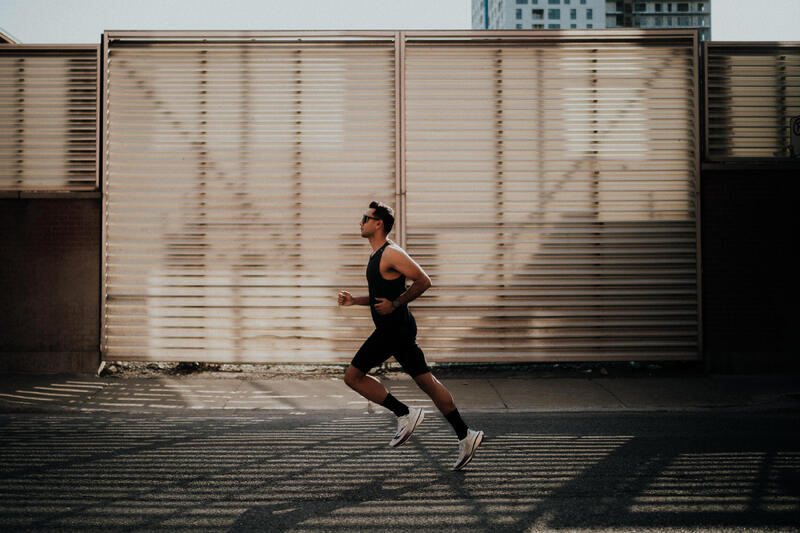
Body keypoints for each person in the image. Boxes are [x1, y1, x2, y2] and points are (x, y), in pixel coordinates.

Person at [337, 201, 484, 470]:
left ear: (379, 223)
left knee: (352, 377)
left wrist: (395, 304)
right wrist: (356, 301)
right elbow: (382, 295)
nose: (361, 222)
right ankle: (466, 435)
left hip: (393, 329)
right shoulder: (377, 255)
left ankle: (405, 413)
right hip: (397, 328)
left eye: (365, 218)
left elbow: (424, 280)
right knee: (427, 382)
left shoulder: (391, 253)